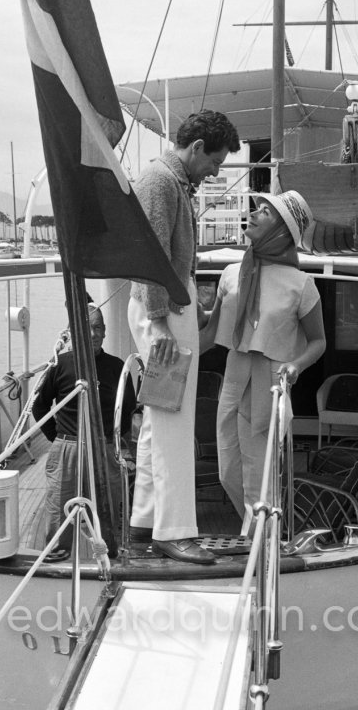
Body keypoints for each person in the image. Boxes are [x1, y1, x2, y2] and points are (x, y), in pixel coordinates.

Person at [128, 109, 241, 564]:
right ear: (197, 148)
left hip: (173, 312)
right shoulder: (160, 182)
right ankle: (173, 532)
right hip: (165, 316)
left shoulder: (173, 181)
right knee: (174, 423)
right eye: (215, 162)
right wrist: (158, 325)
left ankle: (144, 521)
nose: (215, 172)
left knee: (158, 420)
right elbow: (149, 256)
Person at [200, 190, 326, 534]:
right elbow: (211, 333)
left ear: (283, 231)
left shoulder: (301, 285)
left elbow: (318, 342)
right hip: (234, 375)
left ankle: (258, 544)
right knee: (228, 471)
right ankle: (257, 531)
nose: (254, 213)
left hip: (271, 382)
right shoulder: (230, 274)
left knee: (261, 475)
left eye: (266, 212)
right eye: (257, 208)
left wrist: (296, 365)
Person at [32, 303, 136, 561]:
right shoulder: (60, 365)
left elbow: (127, 409)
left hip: (105, 447)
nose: (93, 333)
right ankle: (57, 556)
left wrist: (111, 441)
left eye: (98, 327)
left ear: (104, 332)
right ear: (75, 331)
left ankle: (110, 556)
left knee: (110, 508)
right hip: (68, 446)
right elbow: (39, 406)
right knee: (59, 507)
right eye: (87, 328)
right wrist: (58, 438)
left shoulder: (117, 366)